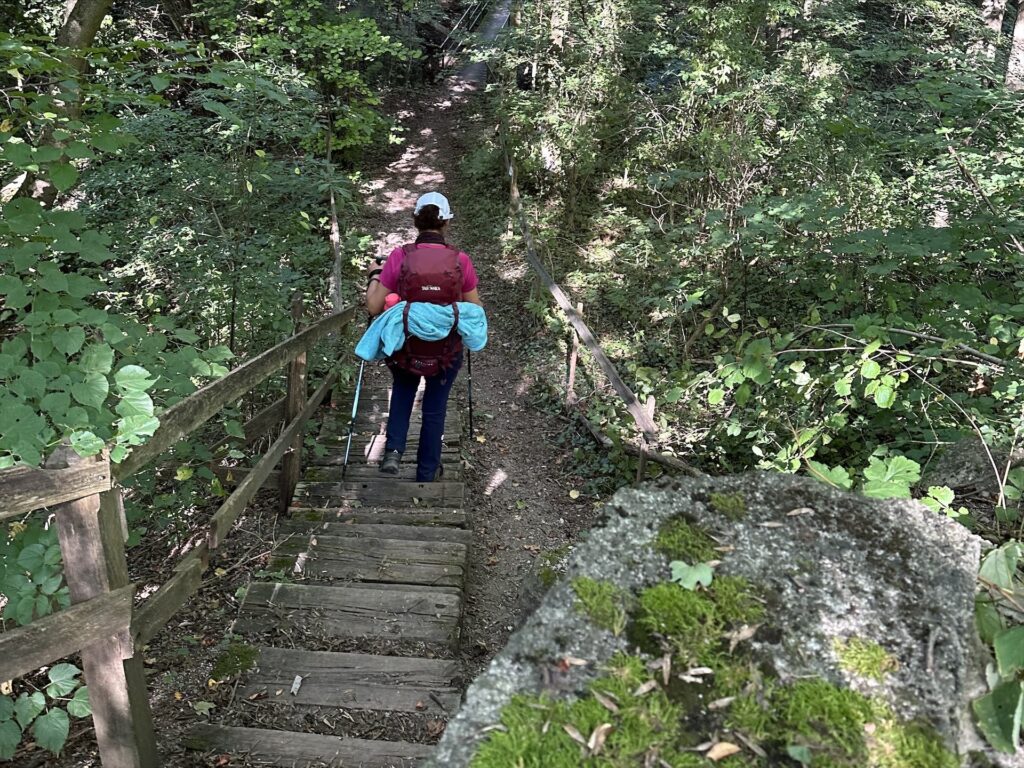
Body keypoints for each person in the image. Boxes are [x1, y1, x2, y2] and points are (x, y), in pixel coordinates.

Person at [365, 192, 483, 482]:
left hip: (405, 347)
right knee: (435, 407)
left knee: (403, 392)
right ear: (445, 223)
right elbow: (474, 308)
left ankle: (393, 451)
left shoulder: (398, 257)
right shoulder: (461, 261)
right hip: (446, 350)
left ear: (416, 221)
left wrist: (375, 275)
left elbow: (373, 306)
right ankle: (427, 470)